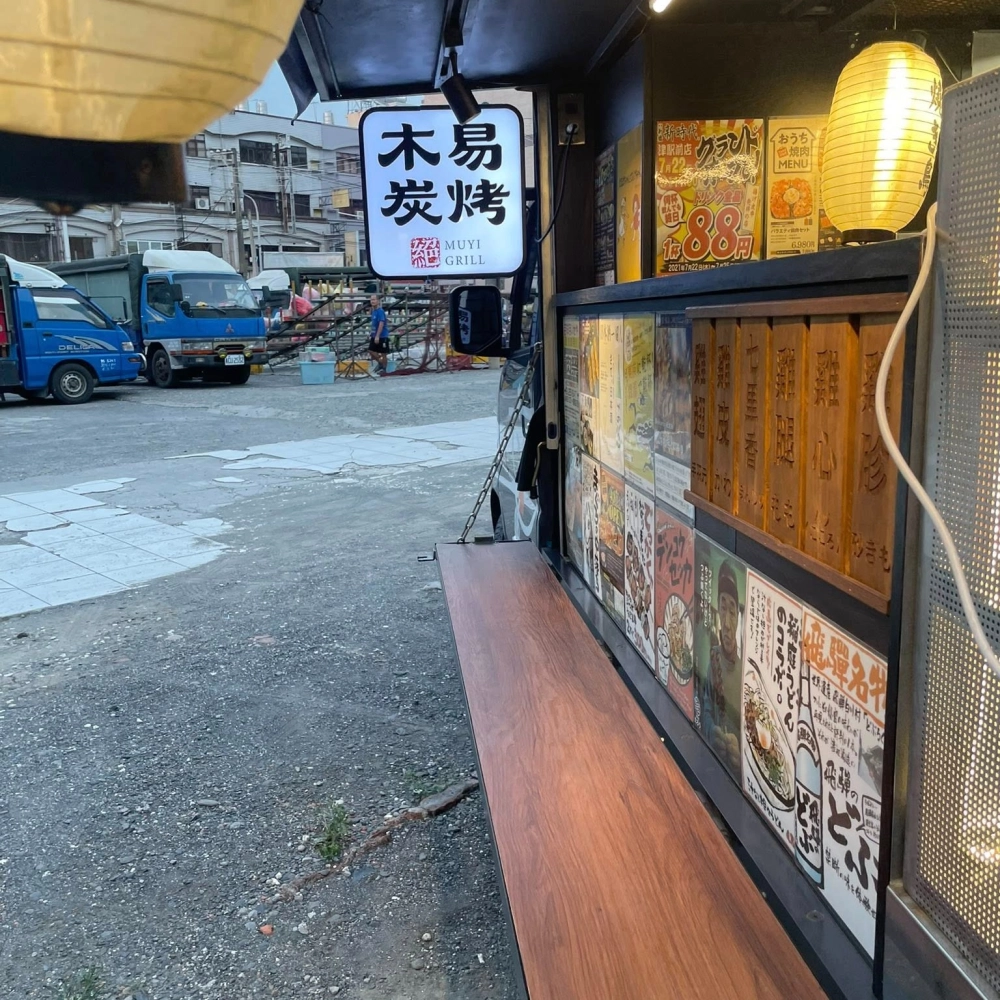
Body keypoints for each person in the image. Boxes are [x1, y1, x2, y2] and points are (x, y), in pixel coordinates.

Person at [368, 294, 390, 375]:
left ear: (378, 301)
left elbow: (381, 323)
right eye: (371, 300)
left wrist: (377, 336)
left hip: (382, 335)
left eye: (374, 299)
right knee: (371, 350)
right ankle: (380, 363)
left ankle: (384, 369)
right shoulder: (373, 311)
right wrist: (371, 333)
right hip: (374, 334)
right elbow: (374, 324)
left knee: (383, 353)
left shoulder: (380, 311)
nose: (372, 301)